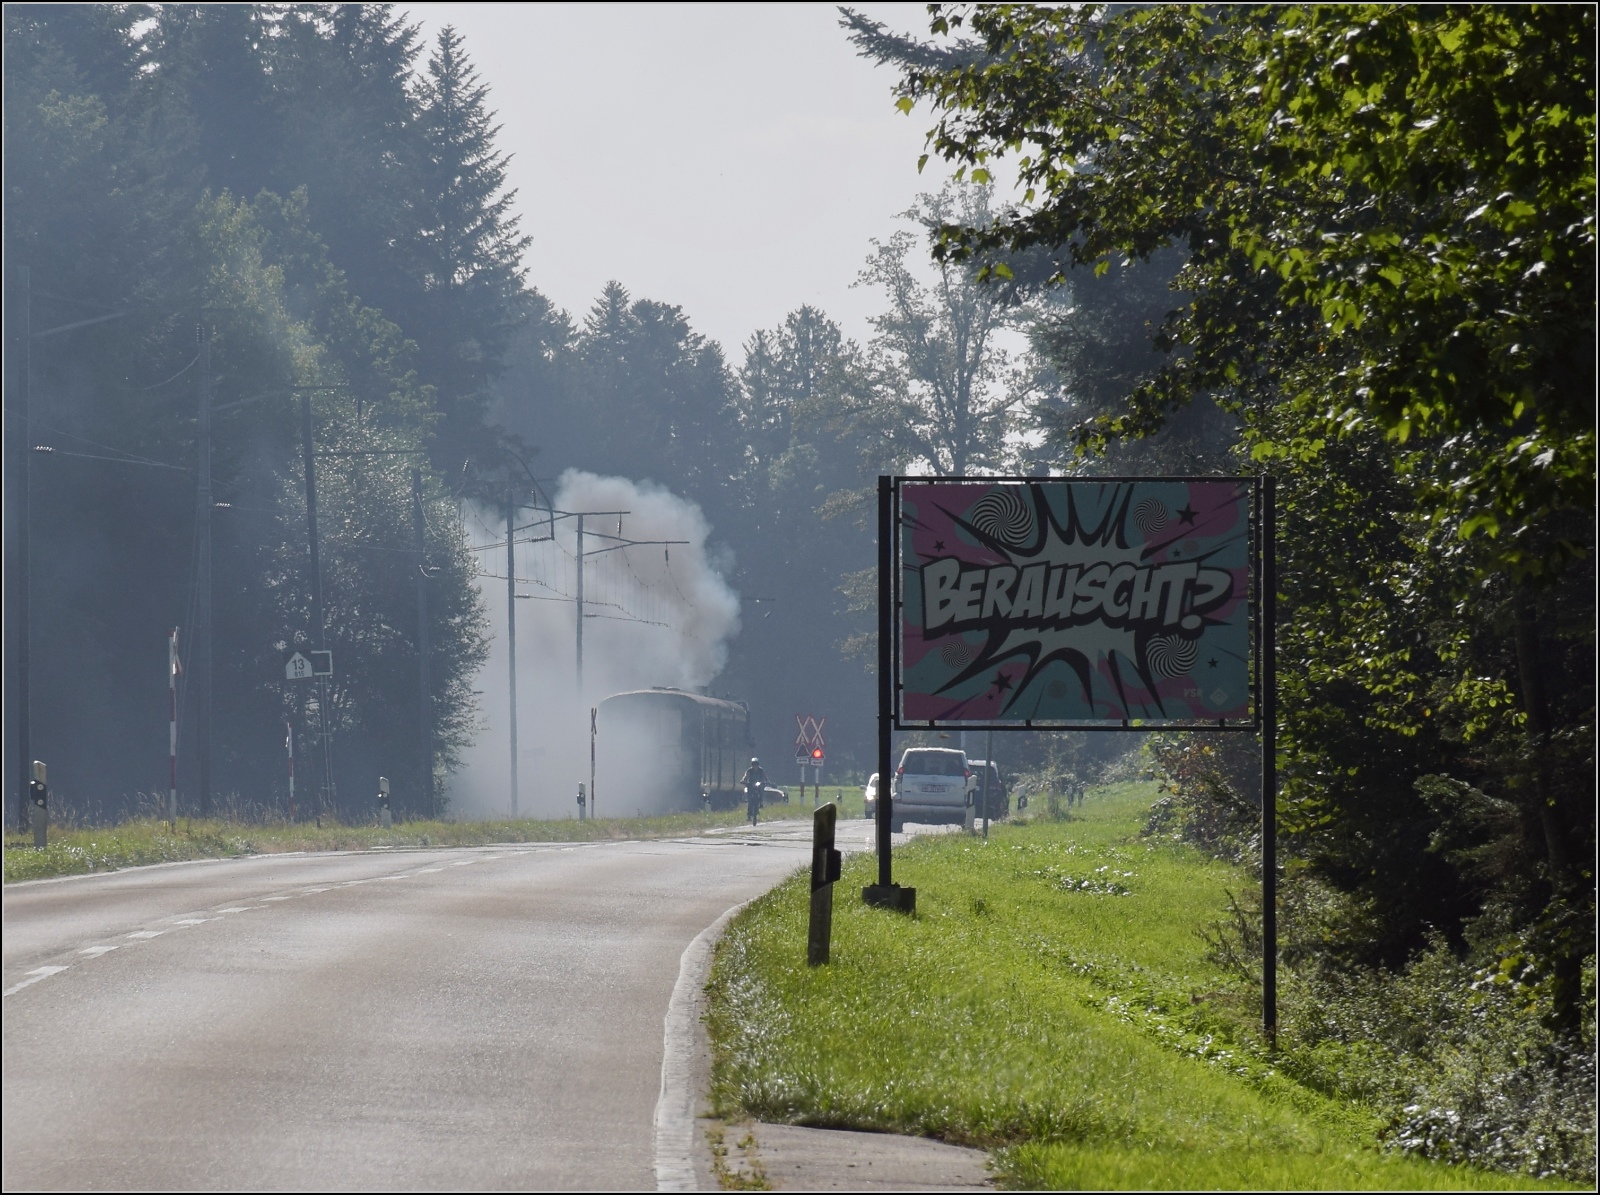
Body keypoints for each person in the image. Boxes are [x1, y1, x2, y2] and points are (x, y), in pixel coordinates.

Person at [741, 757, 768, 826]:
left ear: (758, 764)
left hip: (759, 784)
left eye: (756, 764)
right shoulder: (749, 770)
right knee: (749, 799)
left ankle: (761, 801)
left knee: (761, 789)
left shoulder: (761, 770)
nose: (755, 766)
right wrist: (743, 781)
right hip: (751, 785)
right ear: (752, 765)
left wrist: (767, 781)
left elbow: (765, 777)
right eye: (753, 764)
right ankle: (749, 814)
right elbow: (745, 777)